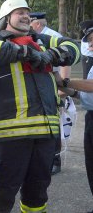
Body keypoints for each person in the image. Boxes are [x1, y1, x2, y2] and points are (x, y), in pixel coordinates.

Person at [0, 0, 80, 213]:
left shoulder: (43, 41)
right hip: (10, 136)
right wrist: (28, 53)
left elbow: (73, 48)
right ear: (6, 18)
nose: (26, 16)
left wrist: (52, 54)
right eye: (19, 12)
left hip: (46, 136)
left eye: (27, 13)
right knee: (0, 197)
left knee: (37, 194)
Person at [54, 19, 93, 213]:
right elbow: (84, 94)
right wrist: (65, 89)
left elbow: (92, 86)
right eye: (89, 41)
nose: (90, 45)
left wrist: (65, 80)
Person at [30, 11, 72, 175]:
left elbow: (66, 61)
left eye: (31, 23)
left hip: (52, 85)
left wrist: (63, 85)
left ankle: (55, 161)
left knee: (53, 126)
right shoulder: (36, 36)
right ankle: (42, 159)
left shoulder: (52, 37)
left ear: (38, 24)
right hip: (40, 85)